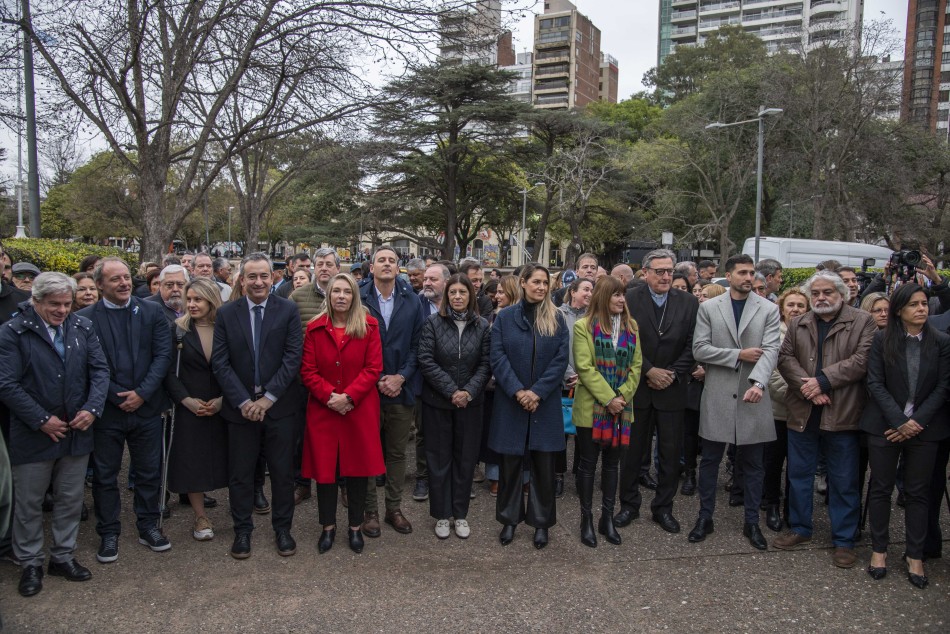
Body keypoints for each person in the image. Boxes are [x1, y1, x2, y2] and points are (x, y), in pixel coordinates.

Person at [0, 272, 109, 597]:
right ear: (35, 301)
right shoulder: (12, 333)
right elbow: (6, 383)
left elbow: (100, 370)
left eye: (66, 304)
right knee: (30, 503)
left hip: (77, 430)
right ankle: (30, 561)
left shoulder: (81, 327)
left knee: (70, 499)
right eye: (54, 305)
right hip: (35, 434)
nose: (62, 311)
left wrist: (92, 408)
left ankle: (62, 555)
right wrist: (41, 419)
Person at [775, 271, 876, 569]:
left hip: (842, 411)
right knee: (798, 475)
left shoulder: (862, 321)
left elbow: (862, 360)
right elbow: (785, 358)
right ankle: (800, 528)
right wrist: (809, 388)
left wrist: (822, 381)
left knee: (844, 480)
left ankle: (843, 540)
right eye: (815, 293)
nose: (821, 297)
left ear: (841, 294)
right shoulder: (799, 322)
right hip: (804, 409)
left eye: (827, 292)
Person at [77, 257, 173, 563]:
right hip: (108, 411)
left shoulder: (152, 311)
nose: (124, 283)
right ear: (100, 285)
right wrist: (117, 397)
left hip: (146, 409)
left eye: (126, 278)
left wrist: (142, 393)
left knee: (149, 472)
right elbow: (91, 366)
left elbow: (163, 356)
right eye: (115, 279)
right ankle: (108, 532)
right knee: (105, 475)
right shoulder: (86, 318)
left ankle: (148, 525)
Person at [211, 253, 304, 560]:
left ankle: (282, 529)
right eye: (252, 276)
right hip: (240, 411)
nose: (259, 282)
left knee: (281, 473)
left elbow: (293, 358)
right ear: (242, 280)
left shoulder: (288, 309)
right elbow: (220, 363)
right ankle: (242, 531)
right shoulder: (226, 314)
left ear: (272, 277)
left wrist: (267, 398)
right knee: (240, 473)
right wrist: (243, 401)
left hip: (279, 408)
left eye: (264, 275)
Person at [687, 254, 780, 551]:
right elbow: (700, 349)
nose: (748, 277)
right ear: (728, 276)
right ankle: (705, 517)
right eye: (742, 272)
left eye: (751, 272)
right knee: (710, 462)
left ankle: (752, 522)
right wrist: (737, 355)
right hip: (717, 394)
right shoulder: (710, 308)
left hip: (754, 396)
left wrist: (760, 382)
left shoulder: (768, 309)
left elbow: (771, 351)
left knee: (753, 464)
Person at [861, 283, 950, 588]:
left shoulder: (941, 342)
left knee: (917, 492)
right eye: (913, 304)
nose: (922, 309)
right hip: (885, 425)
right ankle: (879, 550)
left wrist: (916, 422)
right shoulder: (881, 339)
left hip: (925, 429)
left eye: (924, 303)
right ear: (899, 310)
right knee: (881, 489)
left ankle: (915, 555)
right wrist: (900, 421)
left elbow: (943, 387)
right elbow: (874, 383)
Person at [300, 274, 384, 554]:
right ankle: (328, 527)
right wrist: (330, 397)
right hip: (324, 412)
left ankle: (355, 528)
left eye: (346, 292)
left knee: (358, 471)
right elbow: (308, 371)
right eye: (335, 291)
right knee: (326, 473)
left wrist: (348, 396)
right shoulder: (314, 328)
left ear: (354, 296)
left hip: (358, 410)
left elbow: (373, 368)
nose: (340, 296)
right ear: (328, 295)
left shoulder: (369, 326)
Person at [489, 264, 569, 549]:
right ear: (522, 283)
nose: (542, 288)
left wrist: (536, 393)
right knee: (510, 467)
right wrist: (518, 391)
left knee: (543, 467)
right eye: (536, 282)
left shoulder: (557, 318)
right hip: (511, 403)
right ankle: (509, 520)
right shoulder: (505, 318)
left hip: (543, 405)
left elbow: (560, 361)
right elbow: (497, 358)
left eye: (545, 283)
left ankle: (541, 523)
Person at [619, 249, 698, 535]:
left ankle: (663, 508)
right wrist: (648, 370)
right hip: (638, 388)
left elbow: (694, 344)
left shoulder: (688, 302)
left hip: (672, 390)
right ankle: (628, 504)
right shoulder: (629, 299)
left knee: (669, 453)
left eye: (670, 271)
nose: (667, 276)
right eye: (660, 271)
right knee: (632, 453)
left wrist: (673, 373)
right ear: (646, 273)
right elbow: (622, 341)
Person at [417, 274, 491, 539]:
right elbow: (426, 360)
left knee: (465, 460)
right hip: (438, 402)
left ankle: (460, 514)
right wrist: (451, 391)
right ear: (446, 296)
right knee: (438, 460)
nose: (457, 297)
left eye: (463, 292)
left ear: (471, 295)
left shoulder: (482, 326)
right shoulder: (432, 324)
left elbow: (486, 363)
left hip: (471, 405)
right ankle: (441, 514)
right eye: (453, 293)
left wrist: (468, 392)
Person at [358, 246, 425, 538]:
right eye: (381, 260)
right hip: (366, 391)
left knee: (397, 453)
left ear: (399, 268)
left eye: (392, 261)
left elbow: (418, 345)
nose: (387, 264)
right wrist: (375, 379)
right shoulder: (358, 297)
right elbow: (354, 346)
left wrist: (400, 377)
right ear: (371, 267)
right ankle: (370, 511)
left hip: (401, 390)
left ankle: (393, 509)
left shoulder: (412, 300)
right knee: (368, 451)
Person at [572, 276, 642, 547]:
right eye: (616, 295)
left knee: (613, 466)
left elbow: (636, 366)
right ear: (603, 296)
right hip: (592, 410)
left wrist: (621, 397)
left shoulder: (632, 326)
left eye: (623, 295)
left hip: (622, 410)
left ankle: (607, 518)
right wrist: (609, 398)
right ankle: (586, 519)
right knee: (588, 466)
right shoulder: (583, 327)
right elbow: (585, 367)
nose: (622, 300)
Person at [163, 278, 228, 542]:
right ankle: (200, 515)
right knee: (193, 461)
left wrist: (225, 399)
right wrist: (185, 400)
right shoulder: (177, 330)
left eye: (198, 299)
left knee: (230, 458)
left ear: (211, 300)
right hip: (190, 406)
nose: (191, 304)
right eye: (189, 299)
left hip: (223, 404)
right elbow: (167, 372)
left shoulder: (227, 327)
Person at [762, 289, 809, 533]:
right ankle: (771, 505)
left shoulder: (812, 333)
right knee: (773, 462)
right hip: (777, 410)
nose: (795, 309)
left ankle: (794, 510)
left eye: (801, 305)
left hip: (805, 413)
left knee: (798, 466)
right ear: (782, 308)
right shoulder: (773, 334)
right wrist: (800, 395)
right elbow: (770, 373)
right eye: (790, 304)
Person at [482, 275, 522, 496]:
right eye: (496, 292)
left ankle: (521, 476)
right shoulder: (493, 318)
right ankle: (495, 475)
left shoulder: (528, 317)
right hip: (496, 385)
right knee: (495, 431)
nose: (496, 297)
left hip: (522, 384)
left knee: (519, 432)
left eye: (501, 292)